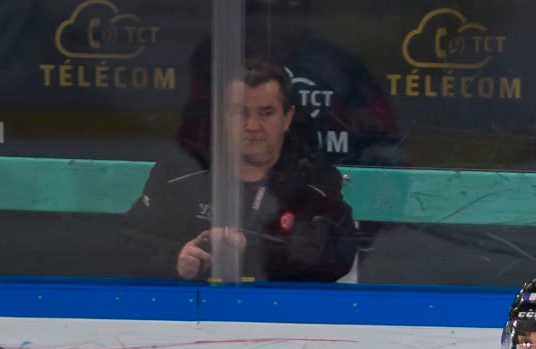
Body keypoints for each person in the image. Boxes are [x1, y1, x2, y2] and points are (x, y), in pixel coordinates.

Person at [122, 59, 359, 282]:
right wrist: (177, 258)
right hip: (190, 314)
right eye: (239, 112)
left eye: (266, 113)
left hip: (280, 317)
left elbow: (337, 256)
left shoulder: (314, 180)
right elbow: (128, 241)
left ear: (287, 118)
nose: (252, 126)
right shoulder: (181, 171)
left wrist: (251, 249)